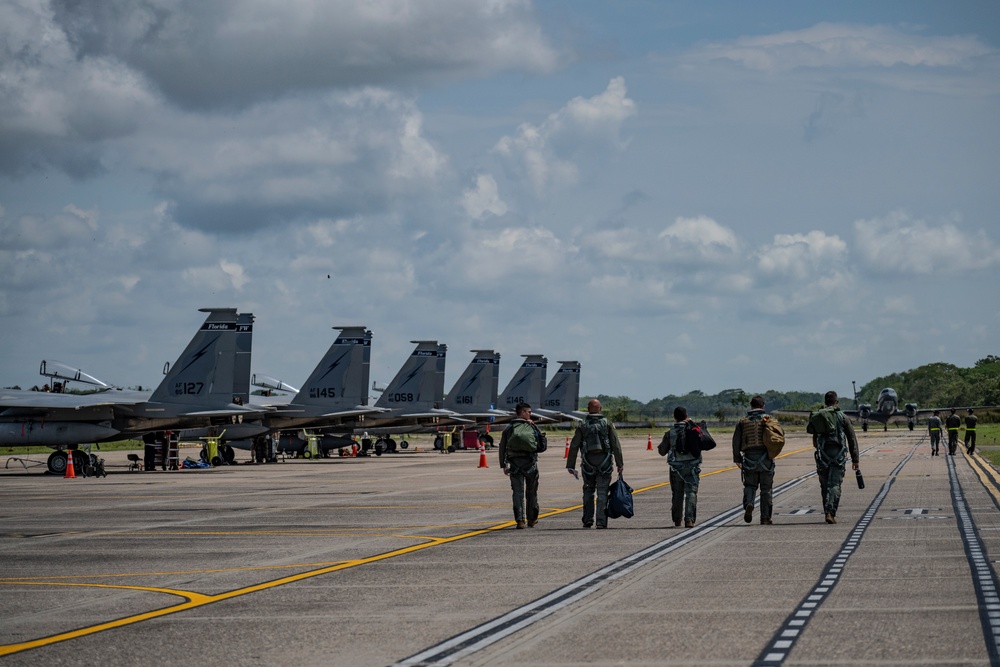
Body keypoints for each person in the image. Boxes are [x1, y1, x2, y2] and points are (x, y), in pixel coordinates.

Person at [566, 399, 623, 529]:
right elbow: (616, 445)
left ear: (588, 409)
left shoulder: (582, 425)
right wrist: (620, 463)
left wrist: (570, 465)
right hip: (605, 463)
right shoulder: (607, 424)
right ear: (600, 409)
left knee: (588, 491)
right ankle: (601, 522)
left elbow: (574, 445)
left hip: (587, 464)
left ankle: (588, 520)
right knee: (602, 492)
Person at [810, 391, 860, 525]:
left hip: (823, 456)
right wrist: (855, 459)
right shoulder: (843, 417)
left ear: (825, 402)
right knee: (835, 484)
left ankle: (827, 511)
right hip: (838, 456)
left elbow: (815, 441)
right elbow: (852, 439)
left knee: (824, 485)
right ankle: (830, 513)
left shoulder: (819, 416)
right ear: (836, 402)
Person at [498, 402, 544, 529]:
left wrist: (503, 464)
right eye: (529, 412)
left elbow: (502, 447)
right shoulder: (533, 427)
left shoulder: (509, 428)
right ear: (522, 412)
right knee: (532, 492)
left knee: (517, 493)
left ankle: (520, 521)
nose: (530, 414)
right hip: (530, 464)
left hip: (514, 465)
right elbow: (542, 446)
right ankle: (532, 519)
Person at [732, 396, 776, 525]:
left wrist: (737, 458)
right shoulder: (769, 420)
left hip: (749, 458)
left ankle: (749, 503)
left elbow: (736, 442)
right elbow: (778, 436)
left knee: (750, 485)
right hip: (766, 458)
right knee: (766, 489)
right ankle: (765, 517)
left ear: (751, 406)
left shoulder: (742, 422)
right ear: (763, 406)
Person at [658, 406, 701, 528]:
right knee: (691, 492)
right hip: (692, 467)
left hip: (676, 468)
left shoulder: (670, 432)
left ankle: (677, 520)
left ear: (674, 417)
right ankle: (689, 520)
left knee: (677, 493)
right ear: (686, 416)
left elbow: (662, 451)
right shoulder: (693, 430)